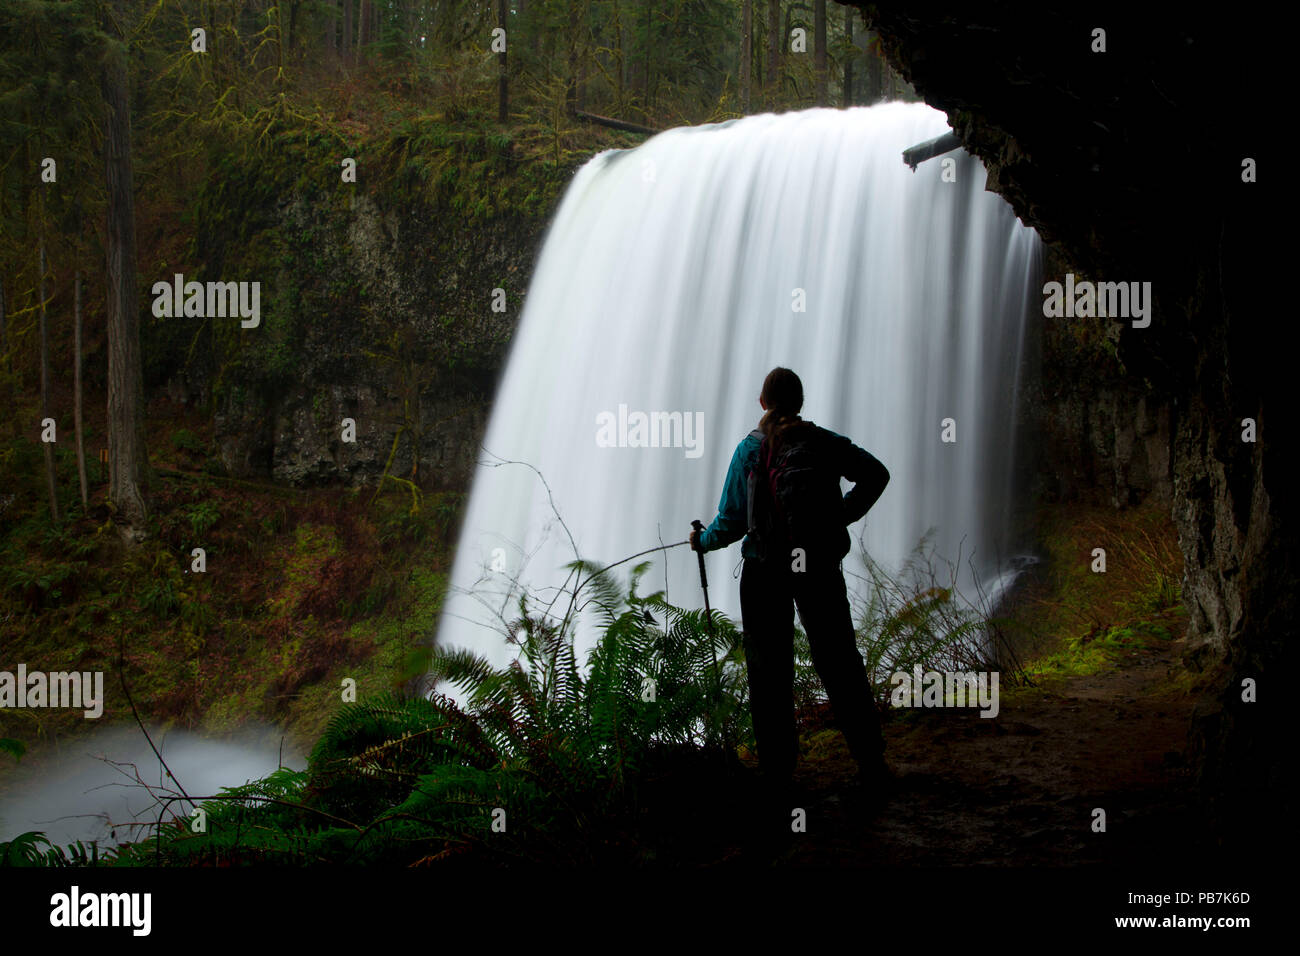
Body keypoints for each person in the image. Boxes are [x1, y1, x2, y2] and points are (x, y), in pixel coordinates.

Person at [690, 367, 891, 802]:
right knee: (839, 660)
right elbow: (877, 474)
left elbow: (730, 522)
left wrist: (701, 541)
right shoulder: (823, 442)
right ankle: (871, 762)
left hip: (764, 571)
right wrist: (840, 515)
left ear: (762, 403)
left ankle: (779, 777)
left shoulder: (750, 449)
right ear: (799, 403)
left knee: (769, 672)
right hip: (817, 567)